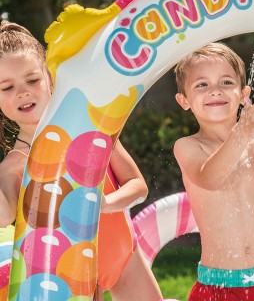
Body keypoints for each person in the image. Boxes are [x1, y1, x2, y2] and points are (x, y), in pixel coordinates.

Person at [0, 21, 162, 301]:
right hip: (68, 274)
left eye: (32, 80)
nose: (23, 92)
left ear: (50, 76)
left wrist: (106, 204)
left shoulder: (90, 127)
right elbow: (4, 217)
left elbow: (138, 186)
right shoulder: (13, 165)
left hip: (124, 255)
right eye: (7, 87)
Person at [174, 42, 254, 300]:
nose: (215, 90)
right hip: (219, 286)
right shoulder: (188, 146)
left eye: (226, 82)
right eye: (202, 84)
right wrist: (242, 132)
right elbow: (210, 178)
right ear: (184, 100)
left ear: (243, 94)